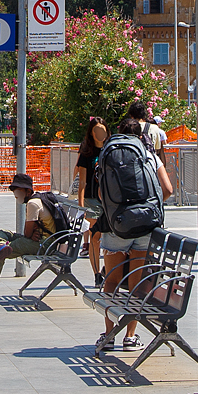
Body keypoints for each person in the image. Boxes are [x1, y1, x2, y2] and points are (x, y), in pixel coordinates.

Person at [94, 115, 173, 354]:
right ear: (142, 135)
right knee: (136, 282)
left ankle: (109, 335)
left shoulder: (108, 154)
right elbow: (168, 189)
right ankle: (130, 336)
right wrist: (149, 207)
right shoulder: (149, 156)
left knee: (112, 281)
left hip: (116, 226)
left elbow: (101, 194)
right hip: (145, 227)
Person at [0, 174, 60, 304]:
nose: (16, 193)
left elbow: (26, 233)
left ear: (28, 191)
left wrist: (31, 233)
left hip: (44, 245)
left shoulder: (33, 203)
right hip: (41, 241)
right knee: (1, 233)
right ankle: (1, 245)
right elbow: (29, 233)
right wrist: (32, 233)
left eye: (19, 189)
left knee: (0, 253)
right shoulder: (37, 199)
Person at [76, 116, 109, 282]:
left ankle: (106, 268)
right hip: (92, 199)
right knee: (96, 236)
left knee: (108, 237)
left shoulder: (111, 150)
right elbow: (82, 182)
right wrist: (80, 206)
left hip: (110, 200)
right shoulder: (87, 153)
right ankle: (97, 274)